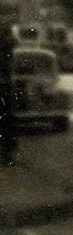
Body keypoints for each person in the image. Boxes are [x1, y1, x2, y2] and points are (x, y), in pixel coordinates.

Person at [0, 27, 17, 166]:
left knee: (6, 121)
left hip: (4, 86)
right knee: (6, 121)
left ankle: (6, 153)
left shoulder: (6, 45)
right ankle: (6, 153)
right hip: (5, 86)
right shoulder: (7, 45)